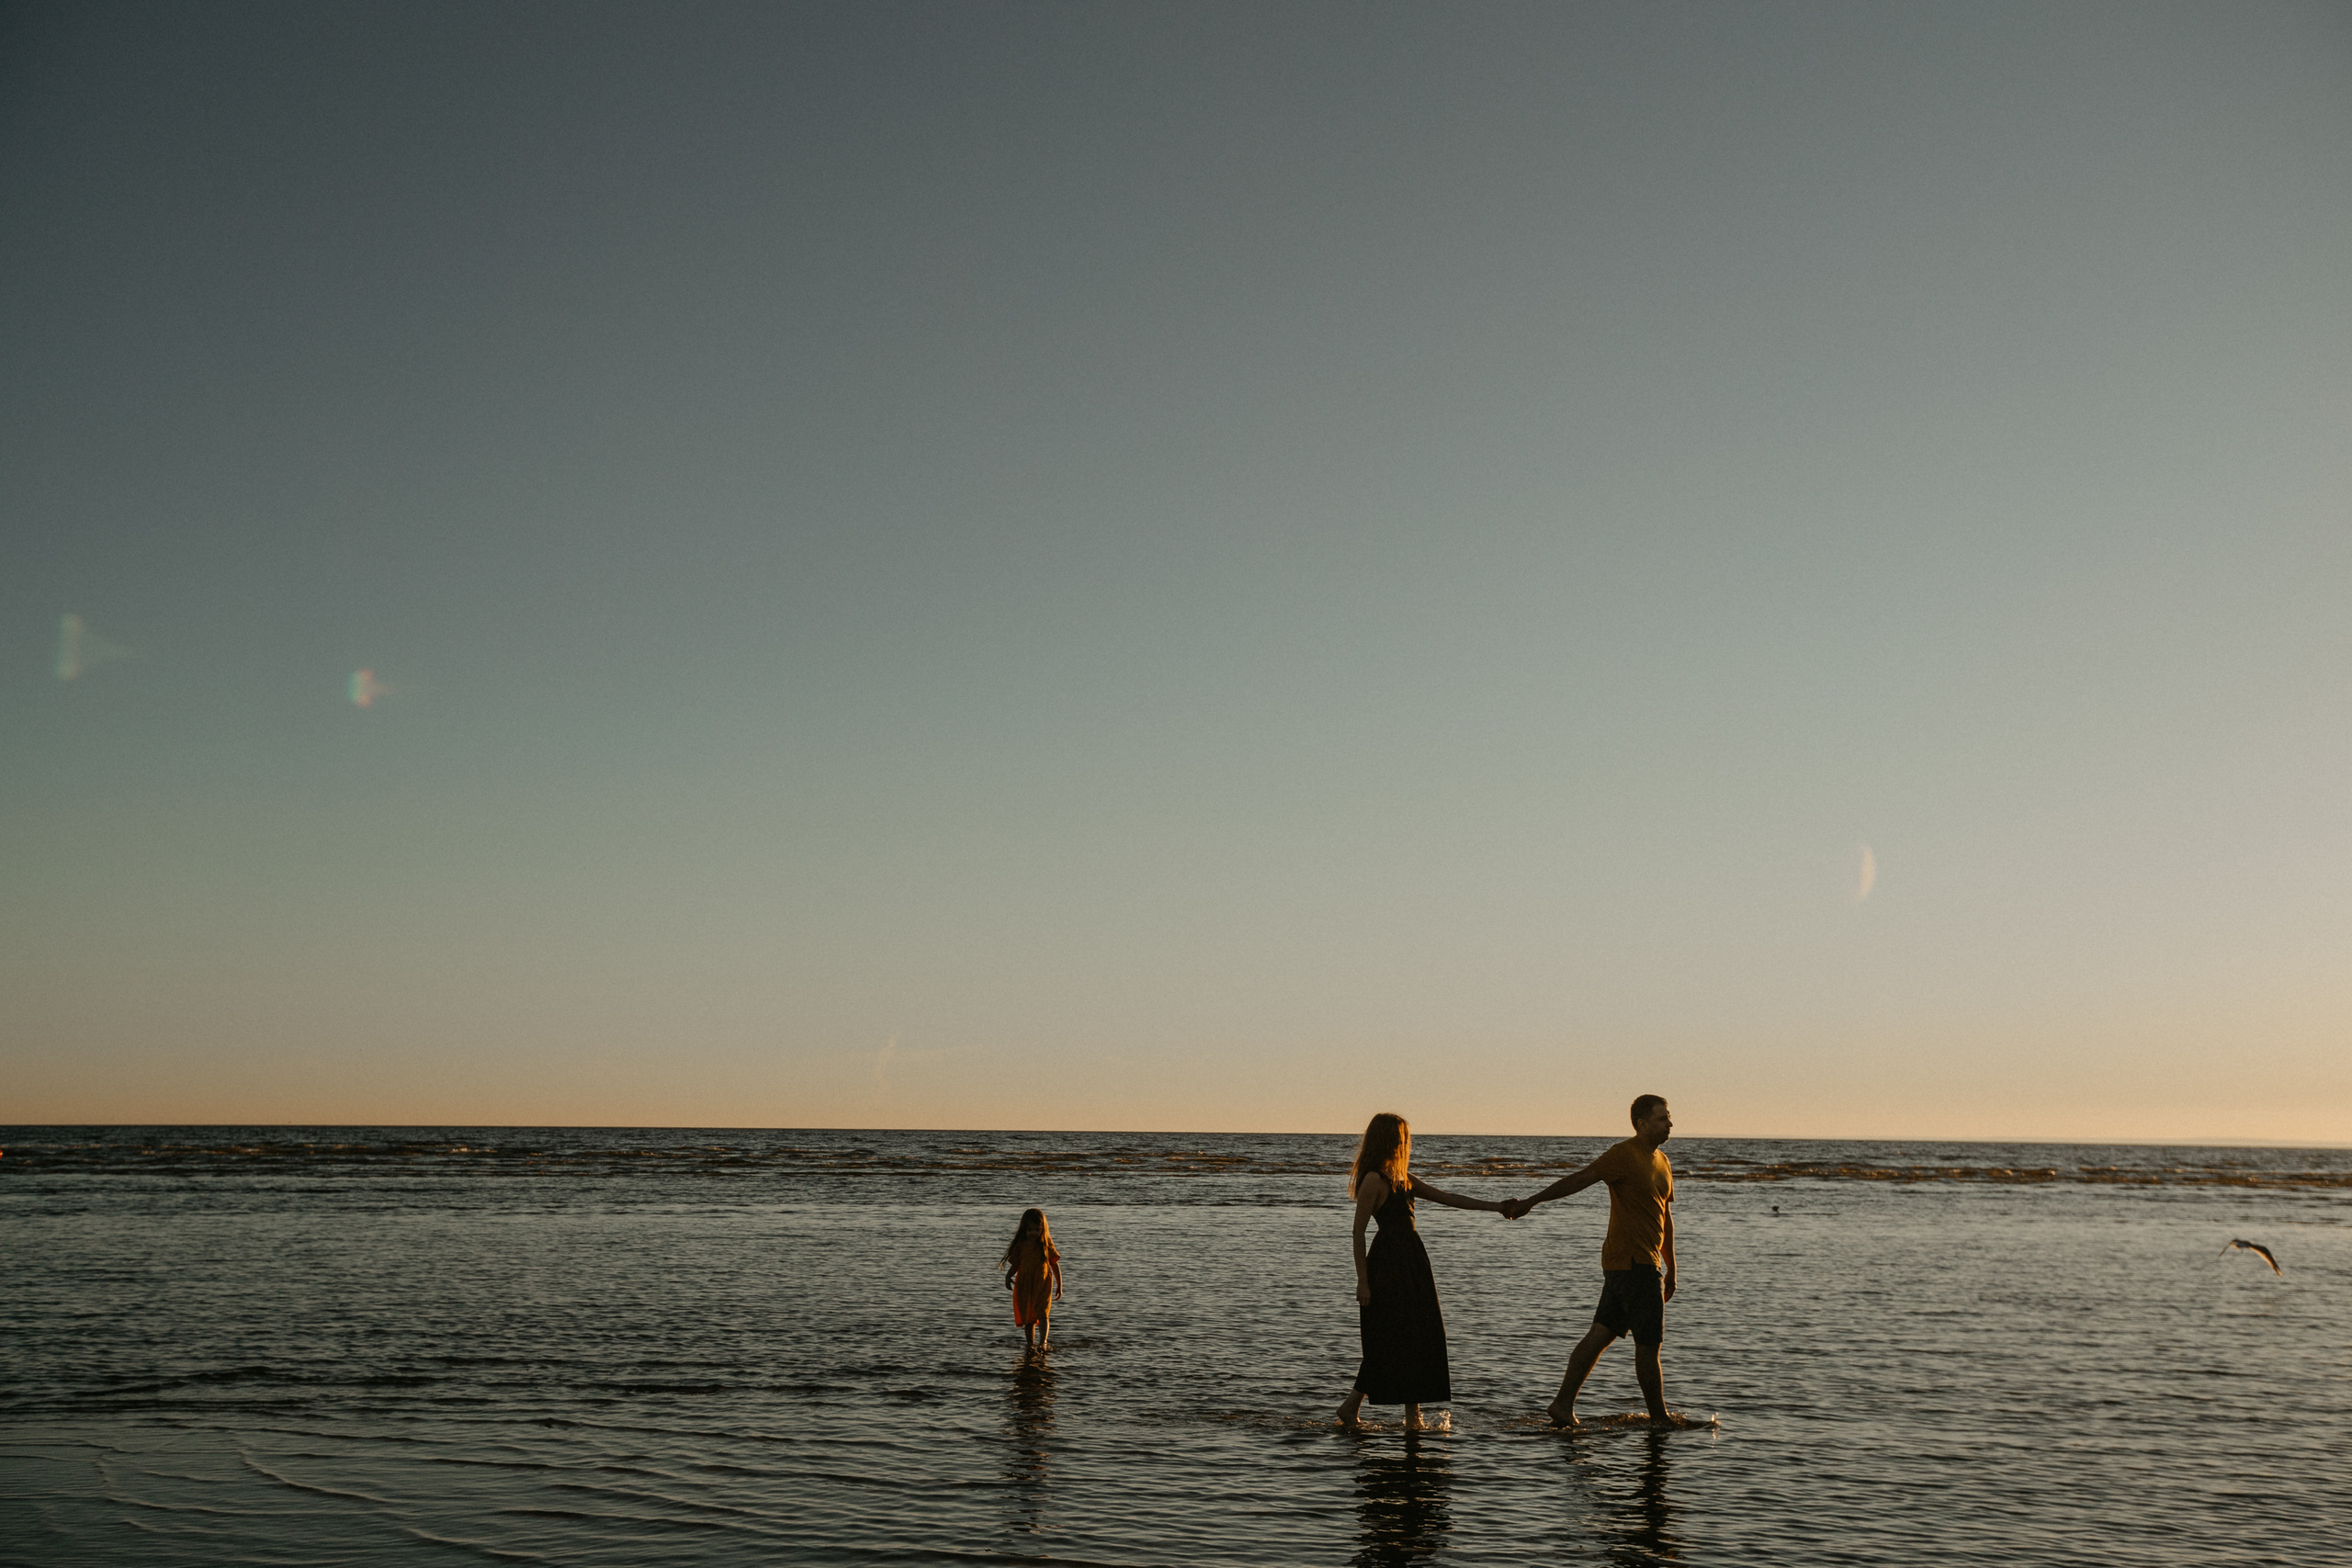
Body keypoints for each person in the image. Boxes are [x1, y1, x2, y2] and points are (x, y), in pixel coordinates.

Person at [1500, 1094, 1685, 1427]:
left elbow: (1665, 1217)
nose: (1670, 1123)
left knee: (1601, 1333)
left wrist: (1671, 1266)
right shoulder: (1623, 1155)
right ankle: (1660, 1419)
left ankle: (1561, 1405)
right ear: (1642, 1124)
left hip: (1643, 1263)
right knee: (1648, 1343)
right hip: (1630, 1263)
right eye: (1662, 1118)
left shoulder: (1663, 1162)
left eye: (1669, 1117)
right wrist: (1533, 1201)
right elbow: (1581, 1179)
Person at [1337, 1112, 1510, 1429]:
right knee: (1388, 1339)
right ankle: (1351, 1407)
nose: (1405, 1142)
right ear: (1387, 1140)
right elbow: (1358, 1232)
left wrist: (1496, 1207)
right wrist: (1362, 1281)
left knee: (1419, 1336)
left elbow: (1449, 1198)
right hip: (1387, 1267)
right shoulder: (1375, 1179)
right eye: (1400, 1137)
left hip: (1414, 1264)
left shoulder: (1405, 1178)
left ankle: (1411, 1416)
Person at [1001, 1208, 1065, 1353]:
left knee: (1043, 1313)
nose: (1033, 1233)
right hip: (1024, 1284)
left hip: (1042, 1284)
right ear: (1024, 1229)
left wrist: (1060, 1285)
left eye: (1037, 1229)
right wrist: (1008, 1276)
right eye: (1030, 1229)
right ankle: (1030, 1344)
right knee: (1028, 1315)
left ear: (1042, 1229)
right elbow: (1017, 1264)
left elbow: (1054, 1264)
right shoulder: (1021, 1245)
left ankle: (1043, 1342)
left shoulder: (1045, 1245)